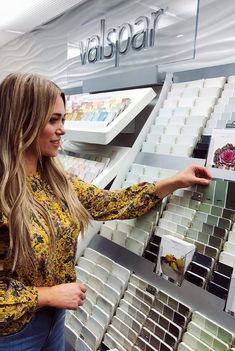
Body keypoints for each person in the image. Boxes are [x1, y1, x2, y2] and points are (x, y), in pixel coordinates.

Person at [0, 72, 211, 350]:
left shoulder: (56, 180)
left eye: (63, 119)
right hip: (14, 334)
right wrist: (46, 296)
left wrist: (174, 182)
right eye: (53, 120)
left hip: (55, 321)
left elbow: (109, 204)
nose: (62, 129)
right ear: (22, 120)